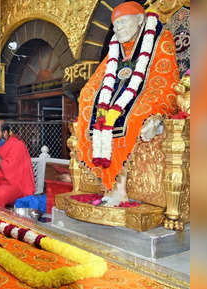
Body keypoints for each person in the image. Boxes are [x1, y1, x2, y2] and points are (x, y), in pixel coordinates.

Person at [74, 1, 180, 197]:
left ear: (140, 20)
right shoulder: (116, 46)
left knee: (133, 119)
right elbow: (99, 78)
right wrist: (88, 96)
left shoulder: (159, 39)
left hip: (149, 93)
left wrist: (148, 108)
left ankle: (120, 188)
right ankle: (106, 183)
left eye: (122, 22)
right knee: (91, 107)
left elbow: (164, 80)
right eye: (114, 25)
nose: (117, 29)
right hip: (115, 102)